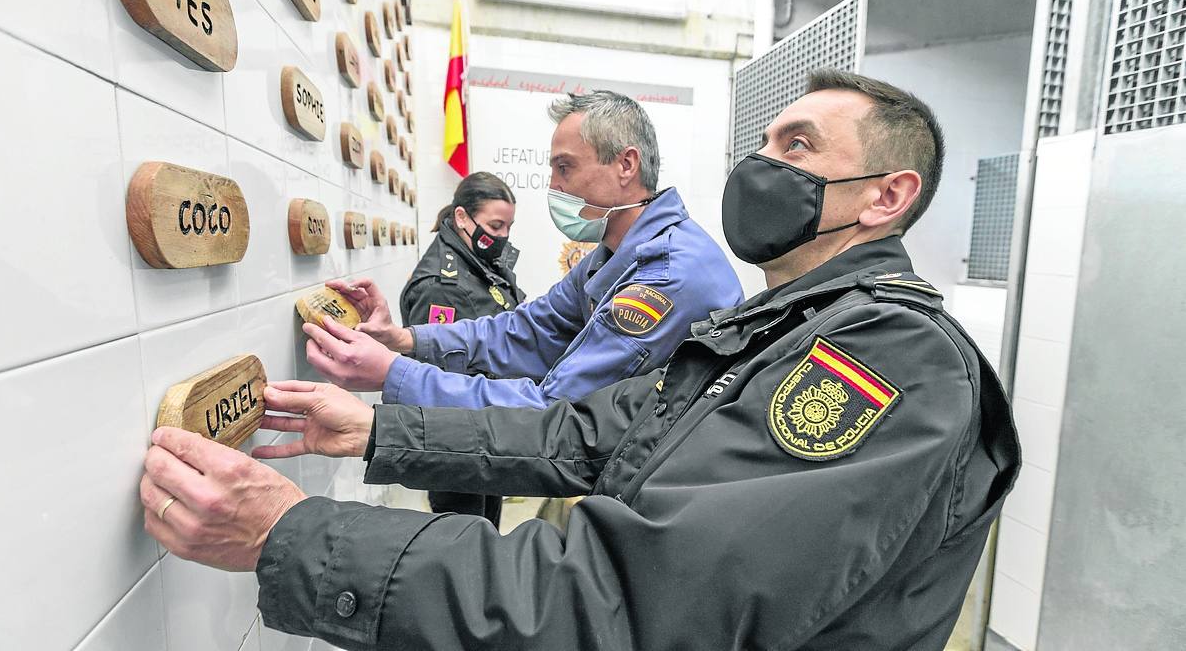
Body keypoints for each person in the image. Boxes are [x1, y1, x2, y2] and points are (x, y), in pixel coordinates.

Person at [140, 69, 1020, 650]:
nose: (758, 166)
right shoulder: (780, 319)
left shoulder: (886, 357)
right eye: (760, 144)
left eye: (795, 147)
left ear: (885, 197)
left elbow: (642, 599)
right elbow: (584, 424)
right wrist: (383, 413)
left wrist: (295, 535)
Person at [301, 90, 744, 410]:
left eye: (565, 168)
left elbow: (556, 410)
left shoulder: (666, 277)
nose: (554, 187)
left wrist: (392, 373)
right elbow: (525, 329)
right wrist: (405, 341)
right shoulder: (610, 255)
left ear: (625, 165)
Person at [397, 171, 526, 526]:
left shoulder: (479, 263)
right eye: (495, 226)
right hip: (458, 446)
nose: (502, 237)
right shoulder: (443, 287)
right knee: (465, 541)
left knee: (485, 532)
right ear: (461, 218)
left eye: (508, 228)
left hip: (485, 430)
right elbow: (432, 381)